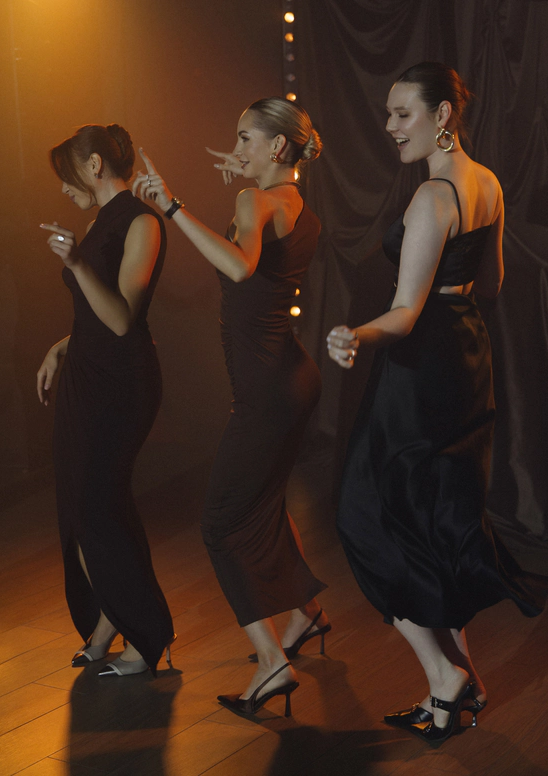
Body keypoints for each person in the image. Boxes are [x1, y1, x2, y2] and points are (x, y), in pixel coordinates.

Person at [327, 62, 548, 745]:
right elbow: (494, 284)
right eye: (389, 114)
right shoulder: (488, 184)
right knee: (433, 521)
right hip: (467, 356)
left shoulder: (431, 197)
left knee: (364, 516)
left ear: (443, 114)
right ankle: (458, 685)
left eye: (403, 115)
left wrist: (355, 335)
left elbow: (403, 313)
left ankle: (444, 675)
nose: (390, 127)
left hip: (420, 370)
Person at [133, 97, 329, 717]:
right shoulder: (295, 204)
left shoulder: (255, 201)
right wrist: (244, 189)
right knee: (264, 502)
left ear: (278, 146)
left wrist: (171, 206)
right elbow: (257, 256)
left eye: (246, 138)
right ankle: (305, 615)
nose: (235, 148)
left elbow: (240, 269)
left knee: (219, 525)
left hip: (267, 389)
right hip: (294, 377)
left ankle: (272, 664)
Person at [37, 123, 175, 677]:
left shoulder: (143, 222)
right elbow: (92, 318)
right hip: (85, 376)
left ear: (94, 165)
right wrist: (61, 346)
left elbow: (120, 321)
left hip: (121, 384)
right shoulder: (98, 221)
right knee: (79, 506)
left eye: (66, 173)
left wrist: (76, 263)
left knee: (99, 505)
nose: (62, 186)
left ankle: (146, 631)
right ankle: (107, 623)